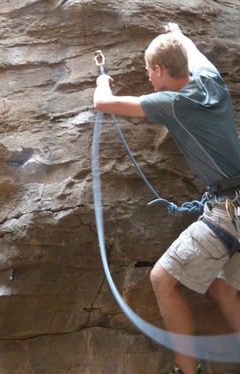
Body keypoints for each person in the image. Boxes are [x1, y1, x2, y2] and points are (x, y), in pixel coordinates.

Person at [93, 23, 240, 374]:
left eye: (149, 72)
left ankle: (186, 370)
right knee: (222, 288)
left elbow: (103, 104)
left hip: (225, 213)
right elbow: (191, 51)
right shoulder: (210, 78)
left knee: (161, 278)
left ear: (159, 70)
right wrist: (178, 33)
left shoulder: (171, 103)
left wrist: (102, 77)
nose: (148, 79)